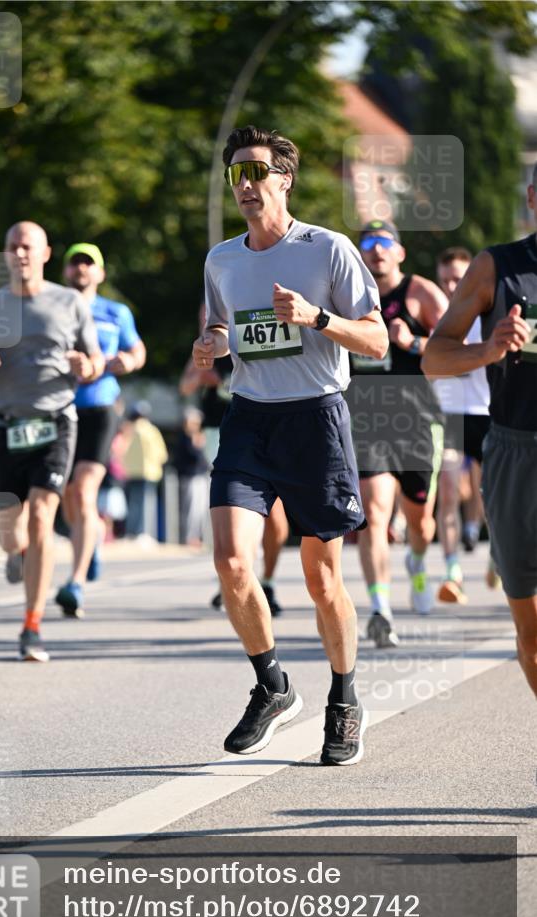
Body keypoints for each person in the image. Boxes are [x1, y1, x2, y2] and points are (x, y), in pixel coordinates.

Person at [194, 125, 387, 763]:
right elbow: (223, 330)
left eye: (256, 173)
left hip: (315, 419)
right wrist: (210, 346)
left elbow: (377, 340)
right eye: (236, 175)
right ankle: (272, 686)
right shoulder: (222, 258)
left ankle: (344, 699)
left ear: (284, 180)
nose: (246, 185)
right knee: (230, 562)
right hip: (249, 417)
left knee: (321, 577)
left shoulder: (326, 250)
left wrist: (317, 319)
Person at [0, 221, 103, 662]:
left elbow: (96, 359)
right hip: (6, 425)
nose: (19, 253)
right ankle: (16, 552)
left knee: (42, 517)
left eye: (27, 247)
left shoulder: (69, 301)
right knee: (9, 531)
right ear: (5, 255)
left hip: (56, 421)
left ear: (44, 253)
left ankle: (32, 626)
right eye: (12, 246)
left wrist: (86, 366)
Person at [423, 165, 537, 697]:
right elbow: (434, 356)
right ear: (532, 198)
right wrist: (490, 349)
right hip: (516, 450)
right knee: (531, 636)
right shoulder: (498, 266)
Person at [350, 220, 449, 647]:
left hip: (415, 419)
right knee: (373, 514)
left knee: (420, 524)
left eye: (384, 243)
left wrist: (412, 342)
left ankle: (419, 559)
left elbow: (452, 350)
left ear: (400, 252)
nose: (376, 251)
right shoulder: (347, 294)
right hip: (366, 418)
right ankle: (380, 608)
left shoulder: (421, 293)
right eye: (368, 244)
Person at [54, 243, 146, 618]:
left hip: (100, 408)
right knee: (68, 494)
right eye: (75, 263)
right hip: (58, 409)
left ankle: (74, 583)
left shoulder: (115, 312)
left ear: (100, 273)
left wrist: (127, 360)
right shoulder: (50, 308)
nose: (81, 269)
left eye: (88, 263)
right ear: (65, 272)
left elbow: (138, 351)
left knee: (85, 488)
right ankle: (88, 541)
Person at [180, 346, 289, 615]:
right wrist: (200, 378)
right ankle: (237, 577)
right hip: (220, 433)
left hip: (267, 428)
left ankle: (268, 581)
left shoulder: (260, 334)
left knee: (275, 517)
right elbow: (185, 386)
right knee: (237, 508)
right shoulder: (208, 346)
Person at [432, 247, 491, 603]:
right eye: (447, 278)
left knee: (490, 493)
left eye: (460, 277)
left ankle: (491, 547)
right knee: (450, 489)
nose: (453, 285)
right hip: (447, 412)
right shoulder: (434, 313)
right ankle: (452, 571)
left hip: (487, 413)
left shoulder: (488, 312)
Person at [123, 400, 168, 541]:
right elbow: (162, 454)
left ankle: (131, 532)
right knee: (146, 503)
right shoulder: (151, 430)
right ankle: (142, 533)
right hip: (149, 472)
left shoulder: (128, 429)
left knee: (133, 503)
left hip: (131, 472)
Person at [172, 406, 209, 546]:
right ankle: (189, 537)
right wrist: (198, 444)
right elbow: (194, 456)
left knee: (199, 510)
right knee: (190, 510)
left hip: (199, 477)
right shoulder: (185, 437)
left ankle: (196, 536)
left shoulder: (195, 436)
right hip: (190, 477)